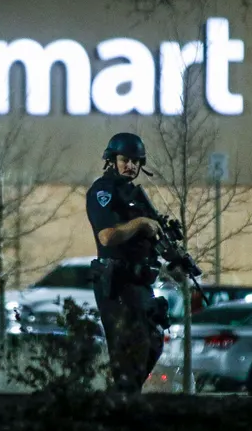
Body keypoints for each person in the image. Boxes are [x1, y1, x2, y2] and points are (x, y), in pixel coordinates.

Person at [85, 131, 168, 394]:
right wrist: (141, 223)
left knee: (152, 341)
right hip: (117, 283)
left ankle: (124, 398)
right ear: (112, 159)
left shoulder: (134, 195)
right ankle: (119, 404)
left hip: (140, 283)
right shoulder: (103, 191)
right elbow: (108, 236)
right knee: (129, 350)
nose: (131, 165)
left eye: (136, 161)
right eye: (125, 159)